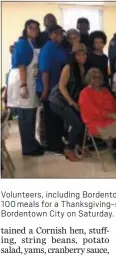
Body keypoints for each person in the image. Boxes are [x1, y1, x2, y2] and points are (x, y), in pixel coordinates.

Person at [7, 19, 44, 156]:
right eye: (31, 28)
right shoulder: (23, 43)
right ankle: (28, 149)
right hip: (22, 81)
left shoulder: (34, 43)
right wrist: (23, 85)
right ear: (26, 29)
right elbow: (22, 65)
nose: (34, 30)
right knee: (26, 117)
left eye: (36, 28)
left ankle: (33, 143)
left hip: (30, 81)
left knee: (31, 115)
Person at [49, 44, 89, 161]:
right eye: (78, 54)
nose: (81, 56)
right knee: (77, 124)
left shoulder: (84, 68)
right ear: (73, 56)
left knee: (83, 121)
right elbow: (62, 86)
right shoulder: (69, 67)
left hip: (71, 101)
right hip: (59, 101)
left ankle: (80, 146)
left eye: (84, 54)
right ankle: (68, 148)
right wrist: (72, 103)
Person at [37, 24, 69, 153]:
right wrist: (45, 90)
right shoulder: (48, 48)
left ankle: (57, 142)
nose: (59, 35)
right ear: (50, 35)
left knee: (57, 117)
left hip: (57, 88)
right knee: (51, 118)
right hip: (49, 89)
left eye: (61, 33)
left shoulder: (58, 47)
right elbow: (45, 71)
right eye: (55, 33)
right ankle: (54, 145)